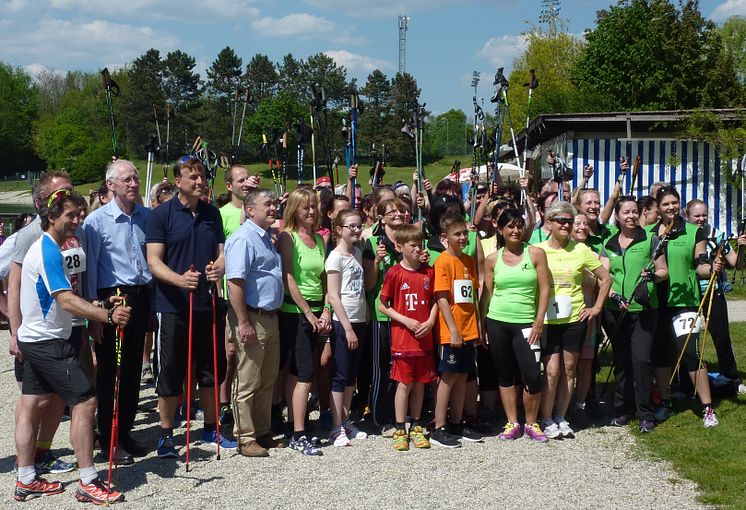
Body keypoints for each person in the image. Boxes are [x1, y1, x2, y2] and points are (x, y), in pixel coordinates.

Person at [14, 189, 131, 504]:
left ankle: (26, 478)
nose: (78, 221)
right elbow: (64, 299)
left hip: (35, 336)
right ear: (51, 217)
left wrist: (100, 302)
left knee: (31, 404)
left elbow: (65, 299)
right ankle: (88, 480)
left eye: (81, 214)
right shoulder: (48, 250)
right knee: (86, 401)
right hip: (48, 341)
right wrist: (107, 315)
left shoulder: (53, 246)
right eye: (71, 215)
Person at [146, 157, 235, 459]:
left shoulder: (212, 213)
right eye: (192, 177)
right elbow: (154, 261)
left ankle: (211, 427)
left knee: (211, 368)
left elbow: (221, 252)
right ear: (178, 181)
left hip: (207, 304)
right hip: (172, 306)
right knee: (170, 371)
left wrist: (219, 267)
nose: (199, 181)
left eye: (202, 176)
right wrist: (179, 280)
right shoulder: (162, 215)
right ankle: (166, 434)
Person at [83, 159, 152, 463]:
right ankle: (106, 435)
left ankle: (124, 430)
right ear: (110, 185)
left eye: (135, 179)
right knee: (111, 370)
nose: (133, 184)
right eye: (126, 180)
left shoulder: (146, 217)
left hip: (141, 295)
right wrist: (94, 312)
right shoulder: (96, 222)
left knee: (134, 368)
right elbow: (89, 272)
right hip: (112, 297)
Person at [8, 172, 76, 476]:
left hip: (71, 325)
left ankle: (43, 452)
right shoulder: (30, 235)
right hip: (39, 332)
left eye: (70, 191)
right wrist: (14, 330)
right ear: (44, 202)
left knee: (59, 396)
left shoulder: (75, 228)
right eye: (60, 194)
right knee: (33, 400)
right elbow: (13, 280)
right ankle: (26, 467)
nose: (67, 197)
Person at [537, 202, 611, 440]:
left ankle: (561, 416)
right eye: (561, 220)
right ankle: (546, 417)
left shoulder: (581, 250)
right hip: (548, 319)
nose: (566, 225)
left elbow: (605, 279)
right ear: (549, 223)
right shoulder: (537, 249)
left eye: (569, 221)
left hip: (574, 317)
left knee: (569, 370)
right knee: (551, 370)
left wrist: (596, 307)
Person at [649, 187, 719, 427]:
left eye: (675, 203)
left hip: (685, 300)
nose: (671, 207)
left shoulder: (693, 231)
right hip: (656, 302)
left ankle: (708, 407)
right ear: (658, 207)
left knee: (690, 353)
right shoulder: (649, 232)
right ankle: (665, 402)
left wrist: (712, 268)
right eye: (666, 203)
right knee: (661, 354)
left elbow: (700, 264)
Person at [480, 208, 550, 442]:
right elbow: (486, 295)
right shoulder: (493, 259)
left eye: (519, 225)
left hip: (527, 322)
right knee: (504, 374)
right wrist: (482, 325)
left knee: (532, 375)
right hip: (498, 321)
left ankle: (532, 423)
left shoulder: (536, 254)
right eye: (510, 226)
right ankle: (512, 422)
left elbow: (545, 289)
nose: (516, 230)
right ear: (500, 229)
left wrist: (539, 319)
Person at [224, 188, 285, 458]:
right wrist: (243, 322)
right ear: (250, 210)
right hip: (252, 317)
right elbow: (235, 283)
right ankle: (245, 436)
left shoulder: (265, 238)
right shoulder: (243, 239)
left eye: (274, 204)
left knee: (267, 378)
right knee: (248, 379)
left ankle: (261, 430)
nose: (273, 208)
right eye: (267, 204)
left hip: (269, 317)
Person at [600, 196, 668, 433]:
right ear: (616, 216)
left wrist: (652, 277)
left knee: (641, 360)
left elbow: (663, 271)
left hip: (644, 310)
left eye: (634, 212)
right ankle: (622, 409)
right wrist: (614, 296)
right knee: (622, 361)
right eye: (625, 212)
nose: (630, 216)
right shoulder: (609, 244)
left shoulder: (651, 239)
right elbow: (603, 277)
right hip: (616, 311)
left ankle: (645, 413)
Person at [277, 188, 331, 456]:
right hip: (296, 312)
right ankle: (299, 432)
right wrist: (308, 313)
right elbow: (289, 277)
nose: (311, 212)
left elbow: (323, 278)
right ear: (294, 210)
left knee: (299, 371)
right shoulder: (289, 238)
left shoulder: (319, 239)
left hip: (317, 309)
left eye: (314, 207)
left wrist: (326, 309)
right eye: (305, 207)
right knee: (303, 373)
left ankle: (293, 424)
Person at [378, 224, 438, 451]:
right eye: (412, 245)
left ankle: (416, 425)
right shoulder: (395, 273)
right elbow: (383, 306)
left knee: (421, 383)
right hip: (404, 337)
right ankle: (400, 426)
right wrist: (405, 320)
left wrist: (431, 321)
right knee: (404, 383)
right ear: (399, 247)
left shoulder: (428, 272)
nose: (417, 249)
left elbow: (435, 300)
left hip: (424, 337)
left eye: (419, 244)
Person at [431, 212, 482, 447]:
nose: (462, 238)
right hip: (451, 330)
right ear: (445, 237)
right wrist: (452, 329)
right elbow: (441, 297)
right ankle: (439, 425)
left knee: (463, 375)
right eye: (457, 234)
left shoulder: (469, 261)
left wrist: (477, 326)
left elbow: (472, 298)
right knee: (448, 376)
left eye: (465, 233)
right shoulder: (443, 261)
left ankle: (457, 420)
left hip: (469, 328)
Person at [685, 199, 746, 393]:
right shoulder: (683, 235)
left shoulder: (717, 235)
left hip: (713, 290)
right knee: (687, 339)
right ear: (687, 216)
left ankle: (731, 377)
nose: (701, 219)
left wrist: (742, 247)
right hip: (690, 292)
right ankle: (686, 381)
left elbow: (737, 263)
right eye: (697, 216)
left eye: (704, 215)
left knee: (721, 337)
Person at [362, 197, 408, 434]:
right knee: (382, 367)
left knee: (404, 367)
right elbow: (369, 285)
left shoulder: (409, 241)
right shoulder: (372, 243)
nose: (398, 215)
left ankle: (401, 412)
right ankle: (381, 417)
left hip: (408, 315)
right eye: (391, 212)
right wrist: (378, 261)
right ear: (380, 217)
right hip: (383, 316)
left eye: (400, 211)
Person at [219, 166, 260, 427]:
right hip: (229, 292)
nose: (245, 183)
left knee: (250, 353)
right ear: (229, 186)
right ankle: (224, 403)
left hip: (253, 292)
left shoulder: (258, 210)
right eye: (240, 180)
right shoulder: (222, 214)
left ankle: (248, 404)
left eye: (248, 179)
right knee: (230, 352)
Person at [325, 209, 369, 447]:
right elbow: (333, 296)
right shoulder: (335, 258)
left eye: (358, 225)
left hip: (360, 318)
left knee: (351, 374)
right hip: (344, 321)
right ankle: (335, 426)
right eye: (350, 226)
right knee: (341, 374)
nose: (356, 230)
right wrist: (347, 327)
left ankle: (345, 420)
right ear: (339, 229)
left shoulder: (358, 253)